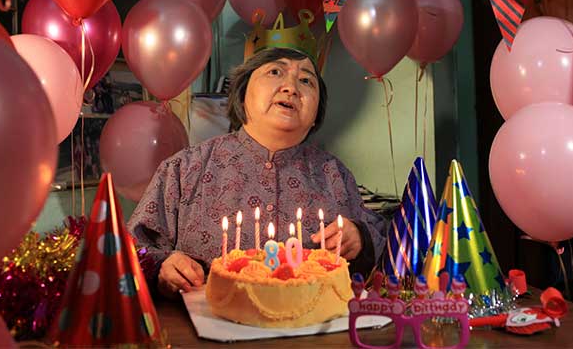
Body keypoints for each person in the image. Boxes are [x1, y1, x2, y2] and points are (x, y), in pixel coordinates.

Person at [127, 46, 387, 299]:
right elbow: (133, 248)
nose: (291, 88)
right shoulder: (185, 168)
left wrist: (360, 239)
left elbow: (383, 247)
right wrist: (163, 265)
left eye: (306, 80)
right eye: (275, 72)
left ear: (316, 114)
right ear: (242, 94)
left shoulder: (334, 175)